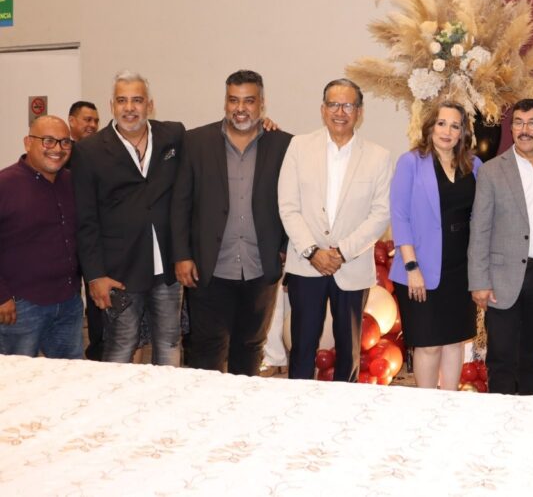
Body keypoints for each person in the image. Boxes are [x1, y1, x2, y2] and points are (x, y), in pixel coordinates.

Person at [171, 70, 293, 376]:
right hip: (209, 266)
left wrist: (284, 246)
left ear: (262, 104)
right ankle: (206, 403)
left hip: (260, 266)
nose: (240, 108)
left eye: (249, 101)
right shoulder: (196, 141)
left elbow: (295, 202)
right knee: (206, 349)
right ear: (225, 102)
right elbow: (180, 203)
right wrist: (182, 255)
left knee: (250, 346)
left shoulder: (283, 145)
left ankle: (243, 402)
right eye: (233, 100)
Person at [277, 79, 392, 382]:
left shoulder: (378, 156)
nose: (340, 112)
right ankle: (298, 403)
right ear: (322, 109)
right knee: (302, 347)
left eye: (348, 105)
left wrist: (341, 253)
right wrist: (312, 251)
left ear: (360, 112)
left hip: (352, 266)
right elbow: (288, 206)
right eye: (333, 104)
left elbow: (380, 214)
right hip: (306, 264)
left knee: (349, 351)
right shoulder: (299, 147)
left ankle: (344, 406)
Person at [72, 71, 185, 365]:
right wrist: (94, 275)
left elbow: (213, 141)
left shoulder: (173, 136)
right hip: (119, 271)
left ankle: (166, 394)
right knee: (123, 342)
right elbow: (85, 220)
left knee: (170, 341)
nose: (129, 108)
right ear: (112, 105)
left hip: (166, 268)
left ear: (150, 104)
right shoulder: (88, 150)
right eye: (122, 100)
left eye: (137, 100)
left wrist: (261, 127)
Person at [468, 98, 533, 396]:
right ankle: (501, 416)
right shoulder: (492, 171)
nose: (524, 130)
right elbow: (480, 228)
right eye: (518, 122)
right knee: (501, 357)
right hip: (502, 277)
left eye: (532, 123)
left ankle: (531, 410)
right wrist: (479, 281)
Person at [389, 101, 481, 390]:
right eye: (441, 123)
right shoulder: (411, 162)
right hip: (420, 267)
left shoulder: (474, 165)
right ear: (430, 127)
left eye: (455, 126)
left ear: (463, 132)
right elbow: (399, 215)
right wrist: (411, 266)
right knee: (428, 345)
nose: (447, 131)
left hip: (461, 269)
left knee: (454, 342)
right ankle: (425, 406)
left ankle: (449, 403)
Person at [0, 116, 82, 358]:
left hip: (68, 303)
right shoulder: (5, 185)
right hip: (20, 307)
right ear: (28, 143)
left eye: (65, 142)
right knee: (18, 377)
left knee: (70, 375)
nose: (57, 148)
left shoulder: (71, 182)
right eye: (48, 140)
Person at [66, 100, 105, 361]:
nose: (92, 125)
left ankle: (97, 353)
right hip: (67, 243)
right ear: (72, 121)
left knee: (97, 302)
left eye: (95, 121)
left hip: (92, 242)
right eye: (86, 120)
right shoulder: (61, 155)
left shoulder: (99, 156)